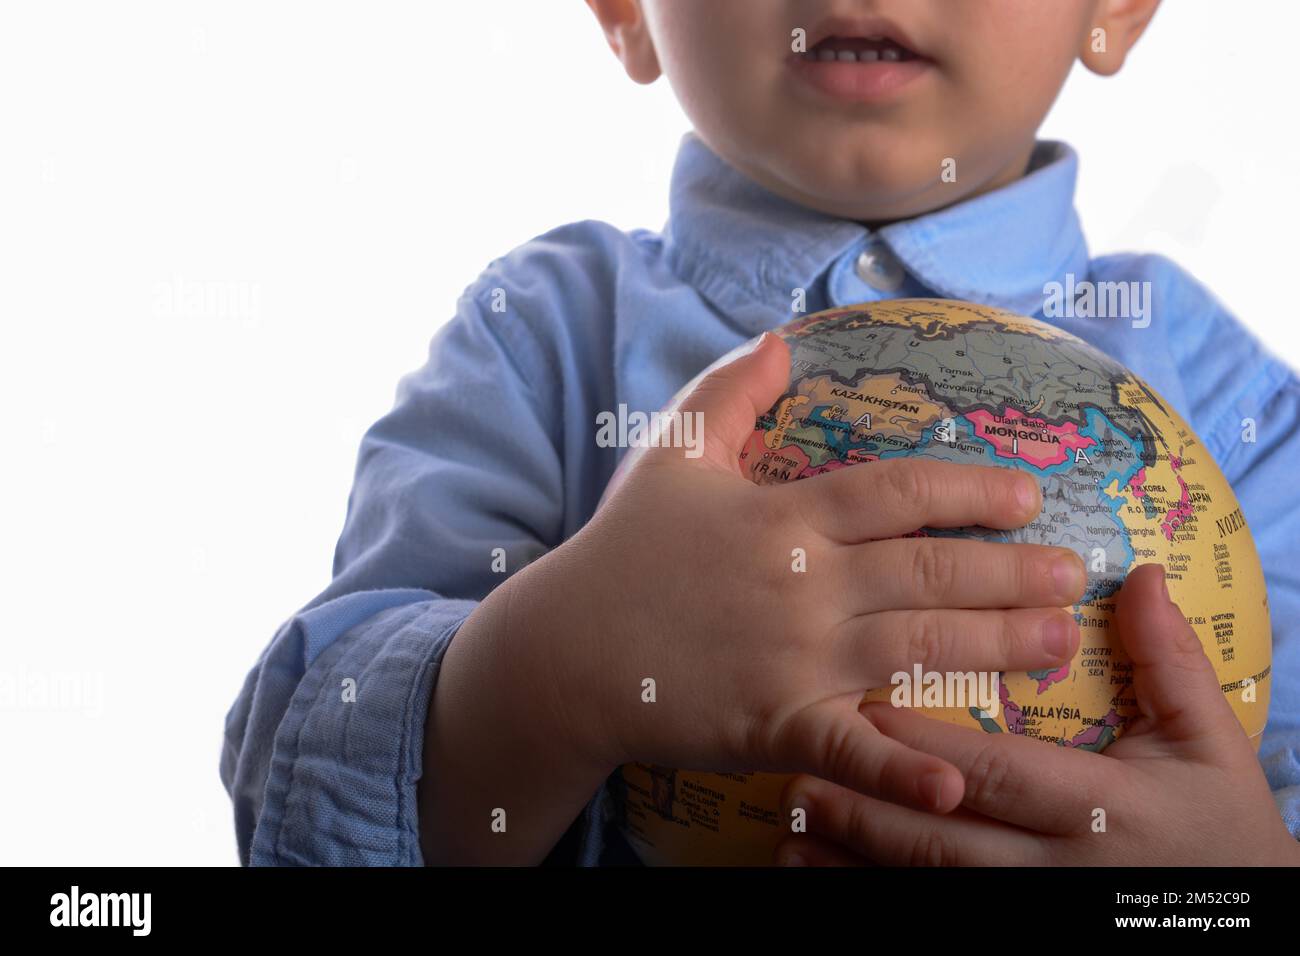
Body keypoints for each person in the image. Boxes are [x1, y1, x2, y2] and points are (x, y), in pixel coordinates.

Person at [220, 0, 1300, 865]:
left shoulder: (1225, 397)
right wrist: (564, 665)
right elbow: (301, 791)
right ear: (621, 11)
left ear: (1116, 7)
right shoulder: (537, 340)